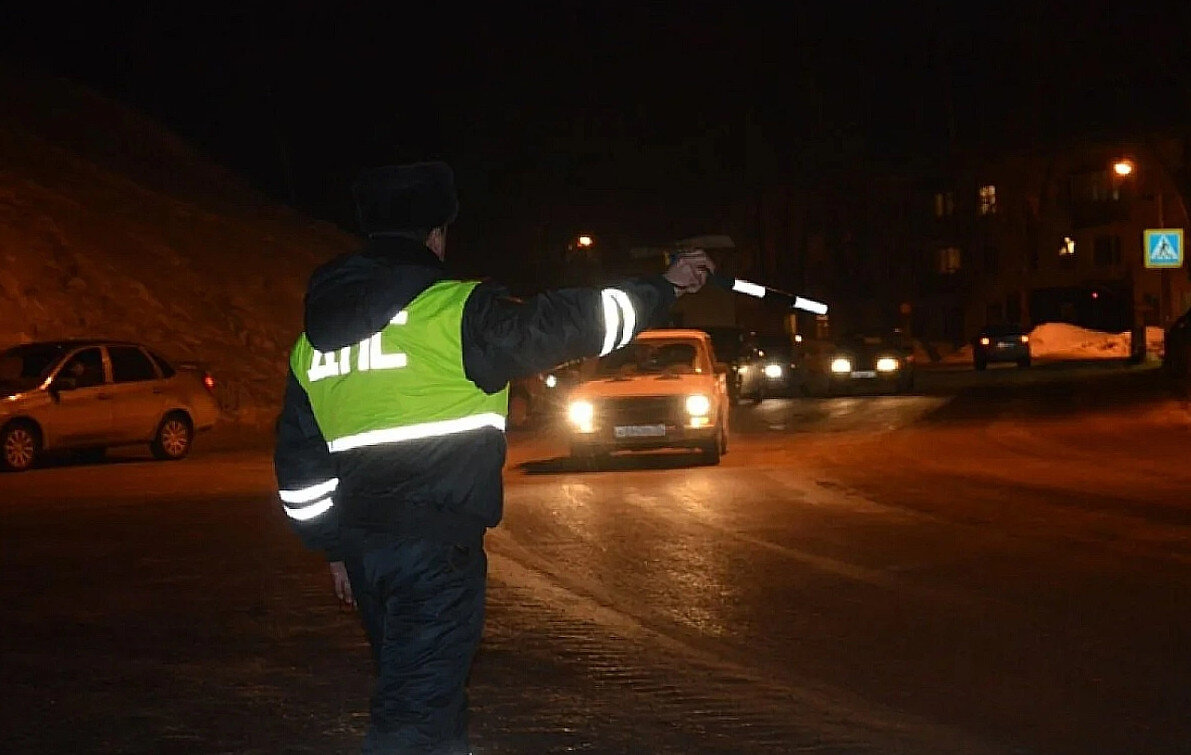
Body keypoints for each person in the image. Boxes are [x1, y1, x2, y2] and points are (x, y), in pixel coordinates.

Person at [273, 160, 712, 754]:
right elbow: (572, 324)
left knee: (424, 697)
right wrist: (664, 288)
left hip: (365, 554)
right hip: (435, 551)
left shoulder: (313, 342)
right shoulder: (454, 313)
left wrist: (333, 548)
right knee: (415, 716)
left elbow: (300, 466)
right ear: (436, 236)